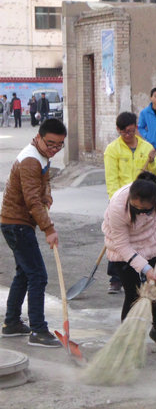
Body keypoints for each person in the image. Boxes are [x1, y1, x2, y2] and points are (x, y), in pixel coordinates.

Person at [1, 118, 67, 347]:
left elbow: (44, 181)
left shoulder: (41, 155)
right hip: (17, 224)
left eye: (59, 145)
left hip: (17, 223)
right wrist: (49, 229)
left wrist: (46, 195)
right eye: (50, 144)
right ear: (39, 137)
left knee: (24, 273)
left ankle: (11, 323)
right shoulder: (30, 160)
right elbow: (31, 200)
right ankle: (38, 330)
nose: (54, 149)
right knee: (38, 275)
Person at [102, 171, 156, 354]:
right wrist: (145, 268)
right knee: (134, 294)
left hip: (149, 242)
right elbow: (122, 245)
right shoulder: (117, 206)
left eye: (145, 210)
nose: (140, 212)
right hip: (122, 248)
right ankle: (126, 339)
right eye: (136, 208)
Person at [103, 111, 156, 294]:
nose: (127, 135)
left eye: (130, 131)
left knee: (140, 238)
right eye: (123, 132)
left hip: (142, 201)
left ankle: (143, 272)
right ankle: (116, 277)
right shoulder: (112, 150)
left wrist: (152, 161)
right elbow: (111, 179)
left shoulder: (147, 147)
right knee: (118, 240)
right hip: (122, 202)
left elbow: (154, 174)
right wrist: (117, 203)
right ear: (118, 130)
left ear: (136, 127)